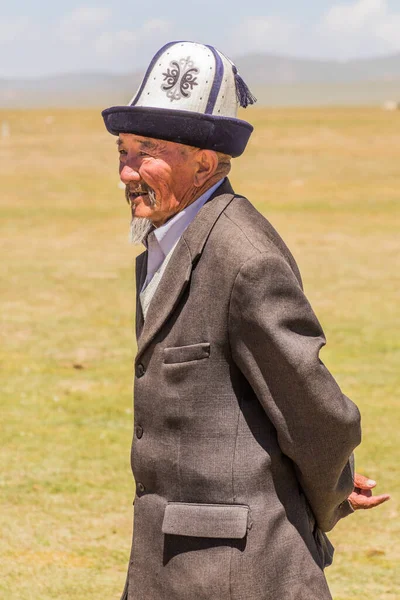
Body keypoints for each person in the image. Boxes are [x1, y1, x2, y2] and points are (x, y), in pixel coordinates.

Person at [102, 41, 390, 600]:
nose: (126, 172)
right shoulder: (163, 248)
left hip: (240, 574)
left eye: (147, 150)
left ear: (205, 162)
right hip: (177, 570)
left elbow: (314, 410)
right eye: (123, 150)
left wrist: (331, 489)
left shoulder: (244, 258)